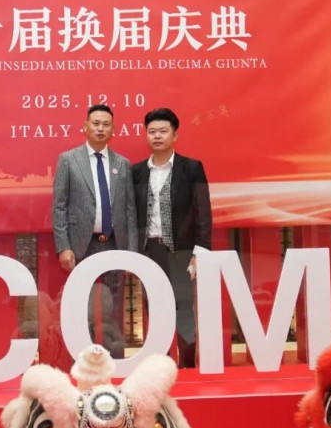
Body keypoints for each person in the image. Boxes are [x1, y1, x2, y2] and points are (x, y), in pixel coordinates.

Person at [52, 104, 138, 358]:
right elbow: (59, 206)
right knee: (83, 305)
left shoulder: (122, 164)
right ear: (85, 127)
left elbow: (130, 211)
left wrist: (132, 252)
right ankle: (84, 360)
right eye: (96, 123)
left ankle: (115, 360)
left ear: (113, 129)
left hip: (114, 243)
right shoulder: (68, 160)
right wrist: (63, 246)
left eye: (106, 124)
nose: (100, 129)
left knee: (114, 306)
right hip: (82, 245)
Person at [132, 108, 212, 368]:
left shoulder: (191, 168)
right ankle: (161, 366)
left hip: (182, 251)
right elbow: (131, 215)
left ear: (175, 135)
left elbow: (202, 211)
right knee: (154, 309)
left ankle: (187, 366)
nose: (157, 136)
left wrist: (200, 253)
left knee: (183, 309)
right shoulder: (137, 172)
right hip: (149, 251)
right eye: (152, 131)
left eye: (163, 131)